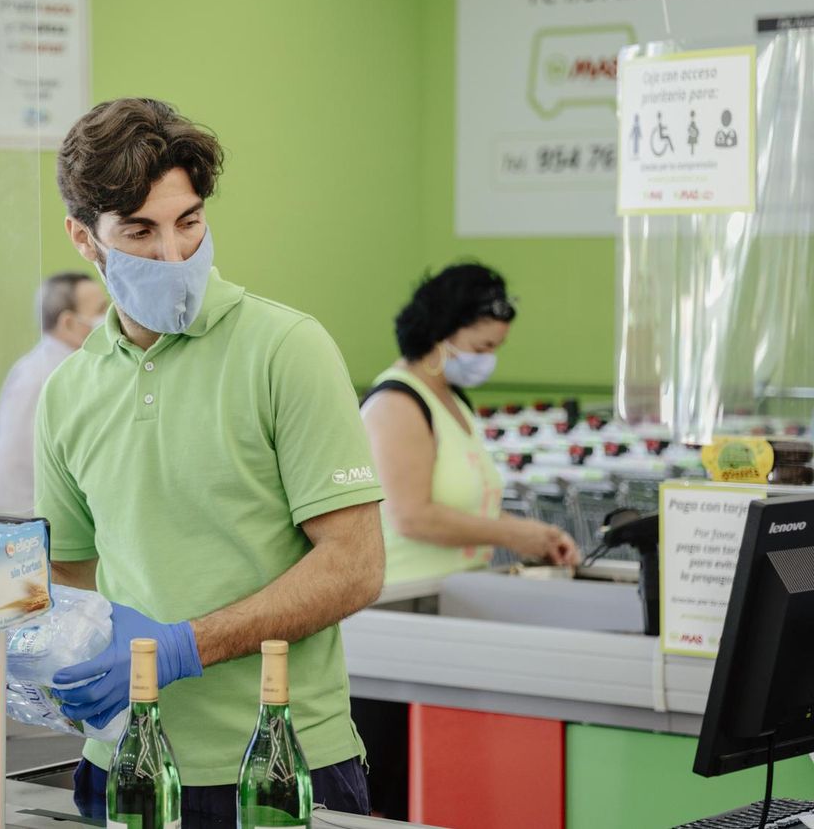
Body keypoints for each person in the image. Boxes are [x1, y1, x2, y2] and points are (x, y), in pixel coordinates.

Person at [35, 98, 385, 823]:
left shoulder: (288, 350)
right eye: (139, 231)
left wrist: (182, 648)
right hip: (123, 770)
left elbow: (355, 563)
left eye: (189, 221)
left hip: (279, 767)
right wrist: (57, 659)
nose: (174, 255)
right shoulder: (67, 392)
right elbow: (69, 576)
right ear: (83, 238)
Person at [361, 263, 579, 586]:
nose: (489, 360)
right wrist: (510, 534)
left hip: (458, 589)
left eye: (496, 348)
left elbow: (467, 512)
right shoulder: (397, 405)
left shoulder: (454, 401)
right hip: (405, 596)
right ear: (439, 333)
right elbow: (410, 517)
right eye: (482, 348)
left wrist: (538, 535)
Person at [0, 272, 108, 515]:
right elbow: (18, 463)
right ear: (69, 323)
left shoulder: (72, 367)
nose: (108, 318)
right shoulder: (38, 377)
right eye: (101, 311)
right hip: (28, 518)